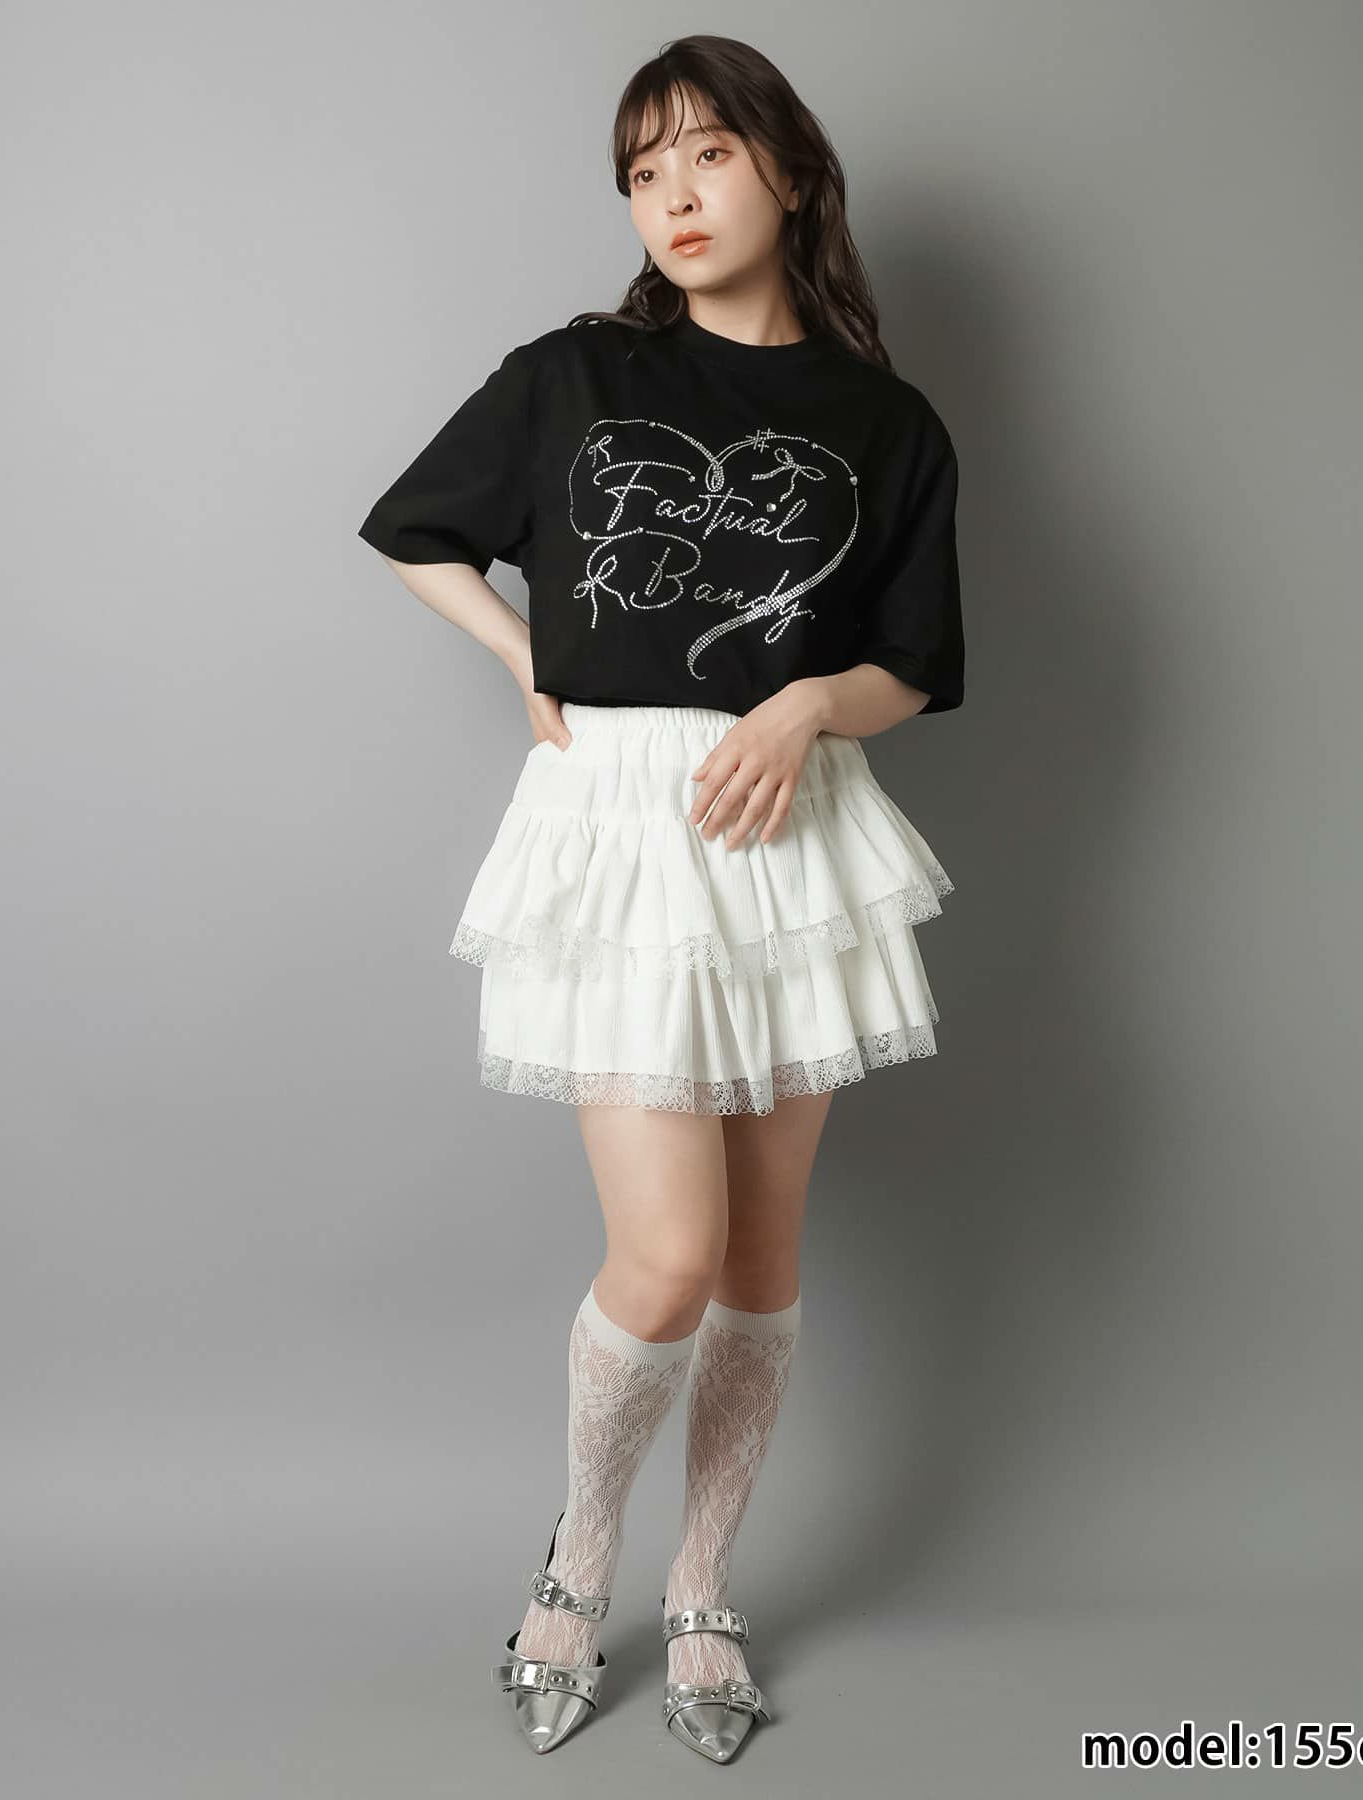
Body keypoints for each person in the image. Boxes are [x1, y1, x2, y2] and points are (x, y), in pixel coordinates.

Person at [355, 34, 965, 1764]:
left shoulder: (888, 422)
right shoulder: (580, 374)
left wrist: (807, 700)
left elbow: (915, 662)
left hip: (792, 827)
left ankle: (703, 1587)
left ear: (790, 170)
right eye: (642, 171)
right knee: (670, 1252)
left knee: (760, 1256)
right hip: (623, 826)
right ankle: (580, 1559)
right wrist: (524, 657)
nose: (673, 196)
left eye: (705, 154)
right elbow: (416, 529)